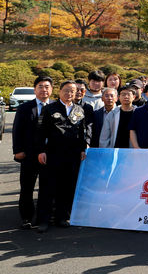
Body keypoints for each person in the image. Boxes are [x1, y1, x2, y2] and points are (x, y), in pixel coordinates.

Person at [35, 80, 91, 233]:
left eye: (73, 91)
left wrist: (82, 148)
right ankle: (43, 220)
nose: (70, 94)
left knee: (67, 187)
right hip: (52, 153)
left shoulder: (79, 110)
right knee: (47, 187)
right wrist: (41, 151)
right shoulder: (49, 109)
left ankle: (62, 217)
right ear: (59, 91)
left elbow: (83, 132)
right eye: (66, 90)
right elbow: (41, 131)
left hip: (72, 155)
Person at [12, 76, 53, 229]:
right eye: (41, 86)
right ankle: (26, 217)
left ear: (52, 89)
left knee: (47, 187)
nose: (44, 89)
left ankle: (44, 217)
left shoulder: (55, 107)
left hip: (49, 155)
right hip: (28, 154)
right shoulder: (25, 108)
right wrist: (18, 150)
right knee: (27, 187)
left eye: (47, 86)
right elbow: (17, 130)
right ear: (35, 89)